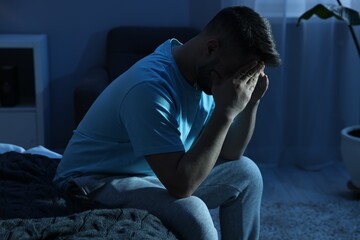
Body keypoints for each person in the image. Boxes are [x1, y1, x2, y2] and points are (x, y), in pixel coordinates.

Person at [54, 5, 280, 240]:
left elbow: (231, 153)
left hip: (152, 172)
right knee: (193, 211)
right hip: (95, 180)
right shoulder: (150, 88)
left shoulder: (207, 75)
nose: (238, 84)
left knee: (248, 173)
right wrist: (224, 112)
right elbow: (181, 186)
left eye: (246, 76)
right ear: (211, 48)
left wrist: (250, 103)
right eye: (236, 73)